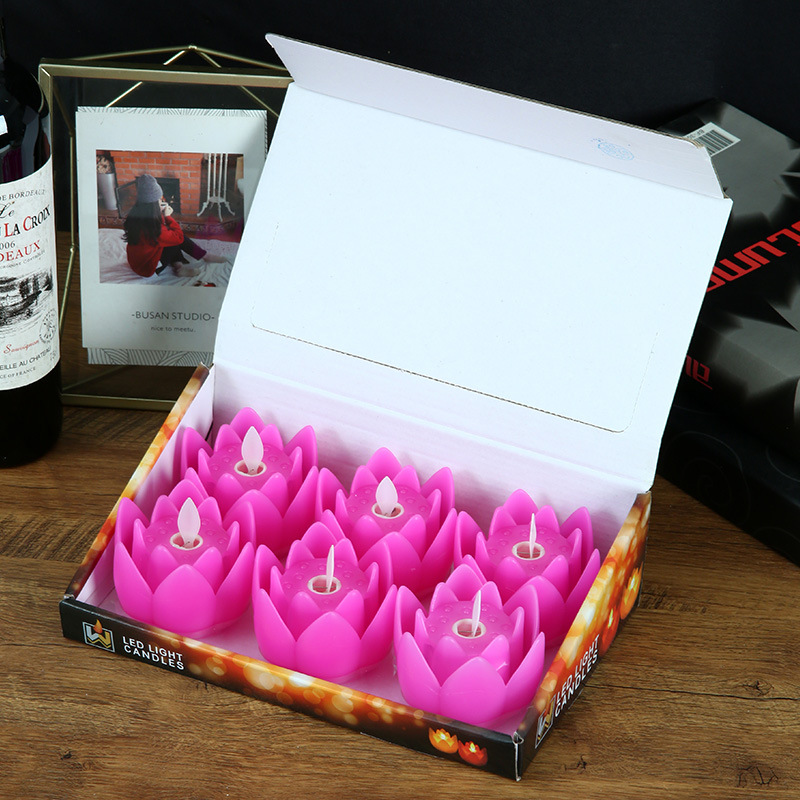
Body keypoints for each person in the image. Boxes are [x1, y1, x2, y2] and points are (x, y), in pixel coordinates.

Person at [122, 174, 227, 278]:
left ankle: (181, 266)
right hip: (147, 268)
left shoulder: (136, 215)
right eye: (159, 200)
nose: (161, 201)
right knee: (177, 237)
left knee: (170, 237)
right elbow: (179, 237)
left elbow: (161, 231)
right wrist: (168, 217)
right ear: (153, 204)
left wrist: (160, 214)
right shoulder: (154, 229)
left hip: (137, 263)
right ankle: (203, 257)